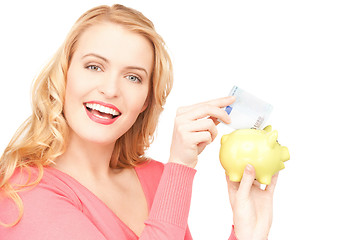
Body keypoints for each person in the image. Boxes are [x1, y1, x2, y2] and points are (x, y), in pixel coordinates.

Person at [0, 4, 278, 240]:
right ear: (64, 76)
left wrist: (245, 232)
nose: (110, 89)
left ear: (145, 100)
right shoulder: (23, 194)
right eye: (94, 66)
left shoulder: (157, 178)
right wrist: (180, 167)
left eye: (133, 77)